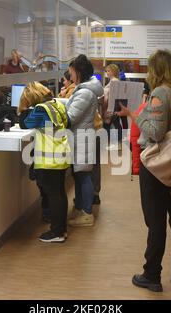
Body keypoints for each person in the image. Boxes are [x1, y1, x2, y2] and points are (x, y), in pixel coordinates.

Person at [119, 50, 171, 292]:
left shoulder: (160, 93)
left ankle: (152, 275)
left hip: (158, 164)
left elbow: (156, 132)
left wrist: (133, 116)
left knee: (156, 221)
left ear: (156, 70)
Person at [18, 82, 71, 243]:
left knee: (54, 196)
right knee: (60, 194)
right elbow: (68, 122)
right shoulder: (56, 105)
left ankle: (56, 232)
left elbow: (24, 123)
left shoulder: (41, 109)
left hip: (49, 159)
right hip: (60, 154)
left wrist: (24, 111)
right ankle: (61, 229)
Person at [66, 55, 104, 227]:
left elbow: (71, 116)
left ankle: (87, 213)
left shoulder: (85, 92)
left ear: (79, 72)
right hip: (81, 136)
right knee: (80, 175)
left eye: (71, 72)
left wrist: (58, 111)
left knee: (84, 176)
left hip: (82, 137)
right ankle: (82, 208)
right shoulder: (85, 89)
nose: (70, 75)